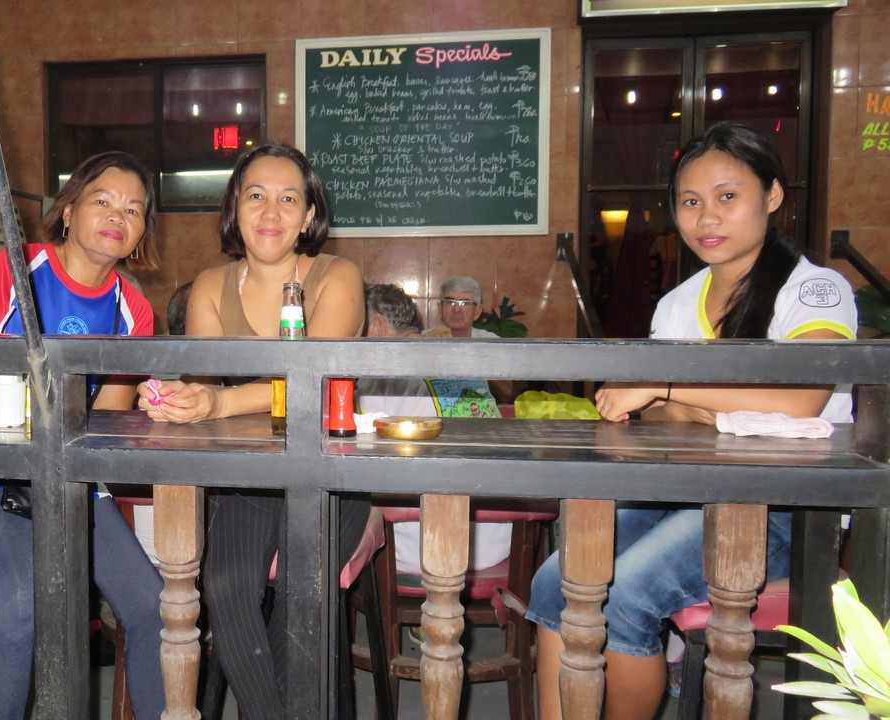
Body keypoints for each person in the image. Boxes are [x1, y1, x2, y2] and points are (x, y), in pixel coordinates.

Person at [525, 122, 857, 720]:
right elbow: (658, 422)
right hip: (685, 490)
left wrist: (670, 388)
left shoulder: (814, 290)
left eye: (728, 196)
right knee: (558, 579)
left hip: (786, 508)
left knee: (626, 593)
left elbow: (799, 400)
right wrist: (709, 407)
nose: (708, 217)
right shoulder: (677, 304)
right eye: (690, 201)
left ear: (772, 195)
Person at [0, 151, 166, 720]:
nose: (118, 216)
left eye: (134, 210)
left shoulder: (133, 309)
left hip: (73, 481)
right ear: (69, 210)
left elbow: (105, 419)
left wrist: (156, 407)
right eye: (103, 201)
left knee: (152, 606)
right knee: (22, 603)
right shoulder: (15, 270)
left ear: (140, 234)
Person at [137, 143, 365, 719]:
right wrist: (175, 398)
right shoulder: (211, 286)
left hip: (329, 472)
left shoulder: (338, 276)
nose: (270, 212)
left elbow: (314, 377)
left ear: (309, 216)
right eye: (256, 196)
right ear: (234, 209)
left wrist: (219, 401)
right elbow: (202, 383)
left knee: (301, 590)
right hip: (246, 476)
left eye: (289, 199)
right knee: (226, 587)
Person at [357, 283, 512, 574]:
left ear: (376, 327)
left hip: (426, 545)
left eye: (355, 329)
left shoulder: (379, 375)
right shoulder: (461, 358)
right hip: (495, 538)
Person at [422, 275, 514, 403]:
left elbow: (506, 393)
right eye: (450, 302)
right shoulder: (424, 340)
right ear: (440, 309)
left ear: (477, 312)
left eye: (465, 303)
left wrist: (467, 358)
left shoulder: (490, 343)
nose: (456, 309)